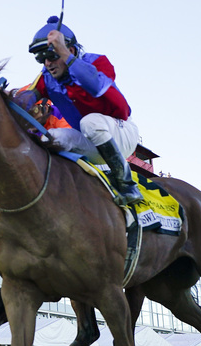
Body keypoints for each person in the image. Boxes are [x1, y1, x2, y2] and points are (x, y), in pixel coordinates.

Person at [25, 18, 142, 206]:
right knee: (48, 138)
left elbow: (95, 86)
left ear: (70, 50)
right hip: (88, 139)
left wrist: (63, 53)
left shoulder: (98, 61)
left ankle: (128, 186)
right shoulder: (46, 78)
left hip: (121, 132)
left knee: (90, 122)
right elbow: (27, 99)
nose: (47, 63)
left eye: (50, 55)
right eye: (41, 58)